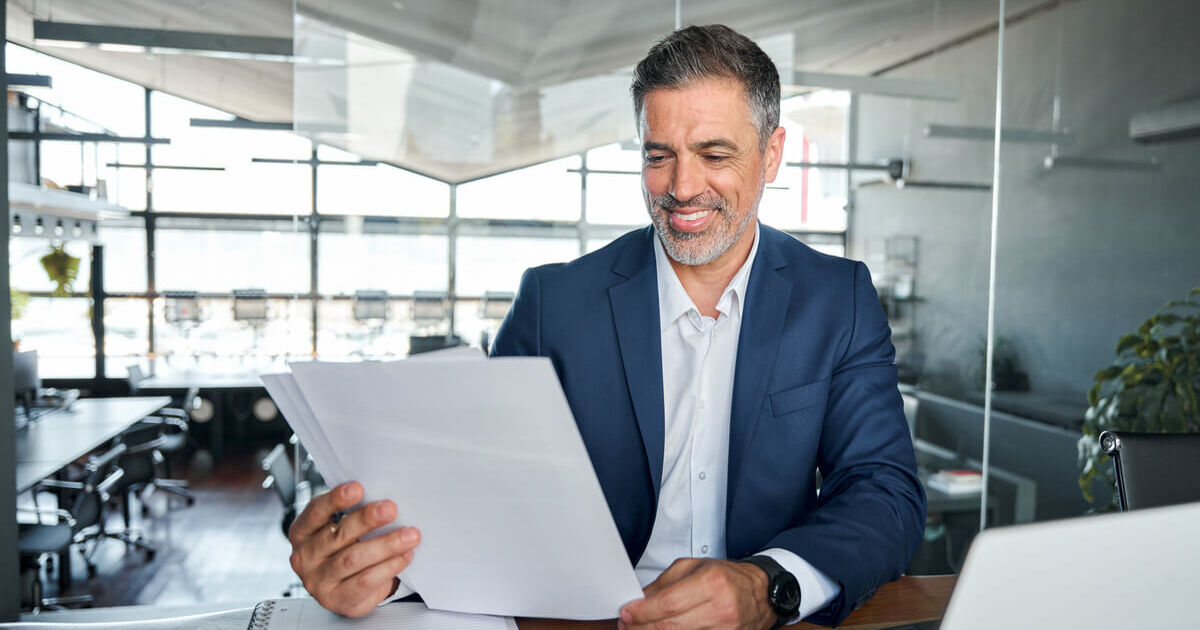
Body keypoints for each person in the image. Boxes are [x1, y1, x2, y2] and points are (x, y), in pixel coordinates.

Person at [287, 24, 926, 628]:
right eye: (659, 155)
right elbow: (482, 494)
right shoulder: (554, 301)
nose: (681, 186)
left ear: (772, 154)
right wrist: (387, 572)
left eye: (714, 153)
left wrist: (767, 588)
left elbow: (884, 493)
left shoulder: (835, 298)